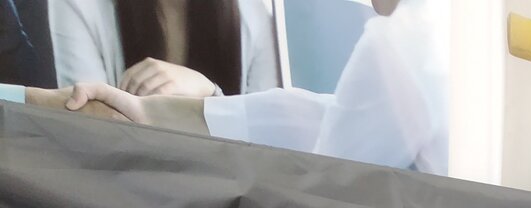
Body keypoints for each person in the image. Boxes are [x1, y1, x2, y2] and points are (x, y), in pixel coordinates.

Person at [62, 0, 448, 174]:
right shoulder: (431, 34)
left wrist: (208, 94)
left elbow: (322, 182)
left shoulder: (402, 41)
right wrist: (199, 104)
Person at [49, 0, 279, 96]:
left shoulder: (255, 15)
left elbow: (267, 144)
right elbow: (90, 134)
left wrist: (208, 95)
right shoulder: (80, 6)